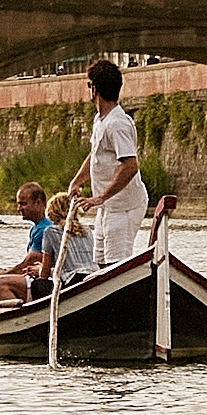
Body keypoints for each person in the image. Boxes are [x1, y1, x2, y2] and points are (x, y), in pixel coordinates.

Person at [67, 58, 148, 266]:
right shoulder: (100, 120)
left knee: (116, 265)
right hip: (108, 206)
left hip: (124, 207)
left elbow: (130, 166)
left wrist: (99, 198)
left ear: (94, 89)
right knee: (101, 262)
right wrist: (77, 181)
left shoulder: (117, 124)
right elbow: (95, 155)